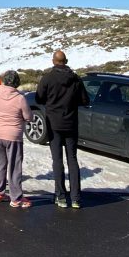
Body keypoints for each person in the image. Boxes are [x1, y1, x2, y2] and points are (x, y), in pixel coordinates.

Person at [36, 50, 90, 209]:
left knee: (57, 160)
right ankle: (75, 198)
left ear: (54, 61)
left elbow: (39, 98)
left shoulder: (48, 78)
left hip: (54, 124)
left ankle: (60, 196)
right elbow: (85, 100)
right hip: (71, 123)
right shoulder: (75, 79)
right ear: (66, 61)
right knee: (72, 159)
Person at [0, 70, 32, 208]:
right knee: (14, 167)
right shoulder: (20, 98)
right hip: (13, 135)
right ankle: (16, 198)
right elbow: (28, 116)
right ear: (16, 83)